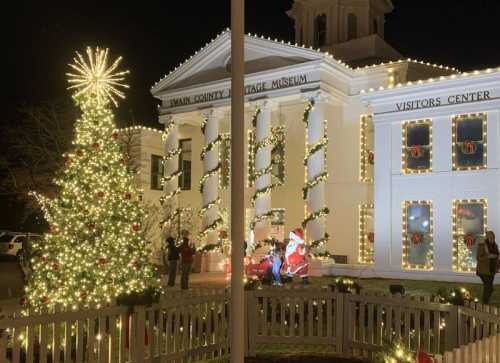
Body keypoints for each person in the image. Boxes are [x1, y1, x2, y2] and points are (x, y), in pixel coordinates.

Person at [476, 230, 499, 304]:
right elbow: (478, 258)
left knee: (489, 288)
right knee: (488, 287)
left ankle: (485, 303)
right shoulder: (482, 245)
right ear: (487, 238)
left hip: (492, 270)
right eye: (490, 238)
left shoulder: (495, 246)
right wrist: (488, 256)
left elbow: (496, 257)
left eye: (493, 238)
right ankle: (484, 304)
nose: (492, 239)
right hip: (483, 271)